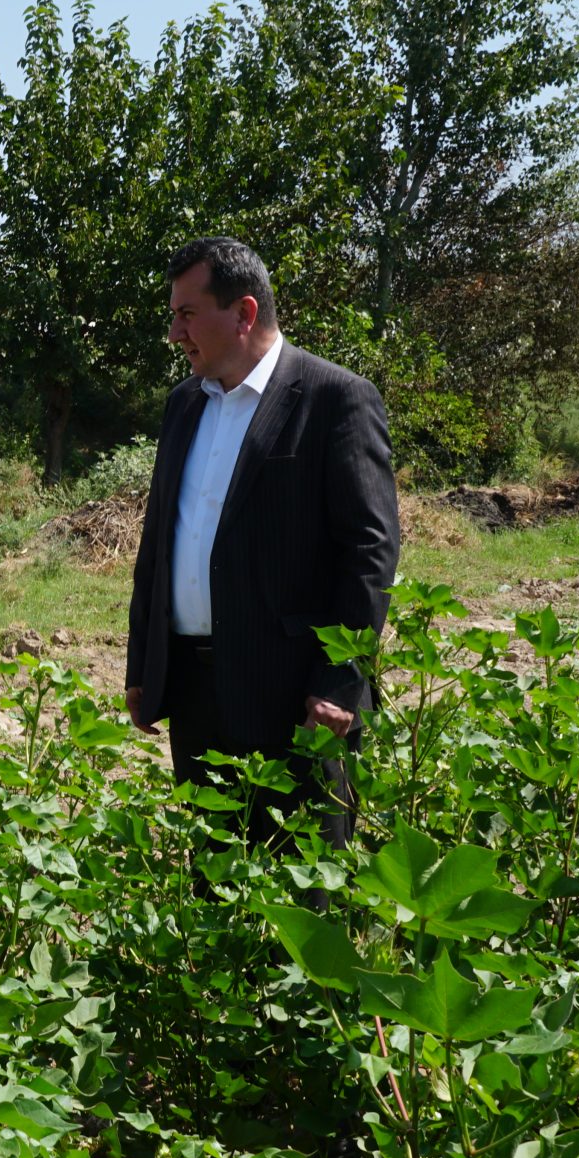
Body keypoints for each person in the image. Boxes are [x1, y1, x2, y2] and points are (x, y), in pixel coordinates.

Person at [123, 237, 401, 849]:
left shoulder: (333, 399)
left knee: (304, 891)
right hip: (197, 695)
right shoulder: (183, 405)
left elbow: (370, 551)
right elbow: (159, 542)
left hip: (295, 701)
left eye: (187, 314)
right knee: (211, 883)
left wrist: (339, 683)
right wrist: (145, 662)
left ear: (245, 313)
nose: (175, 334)